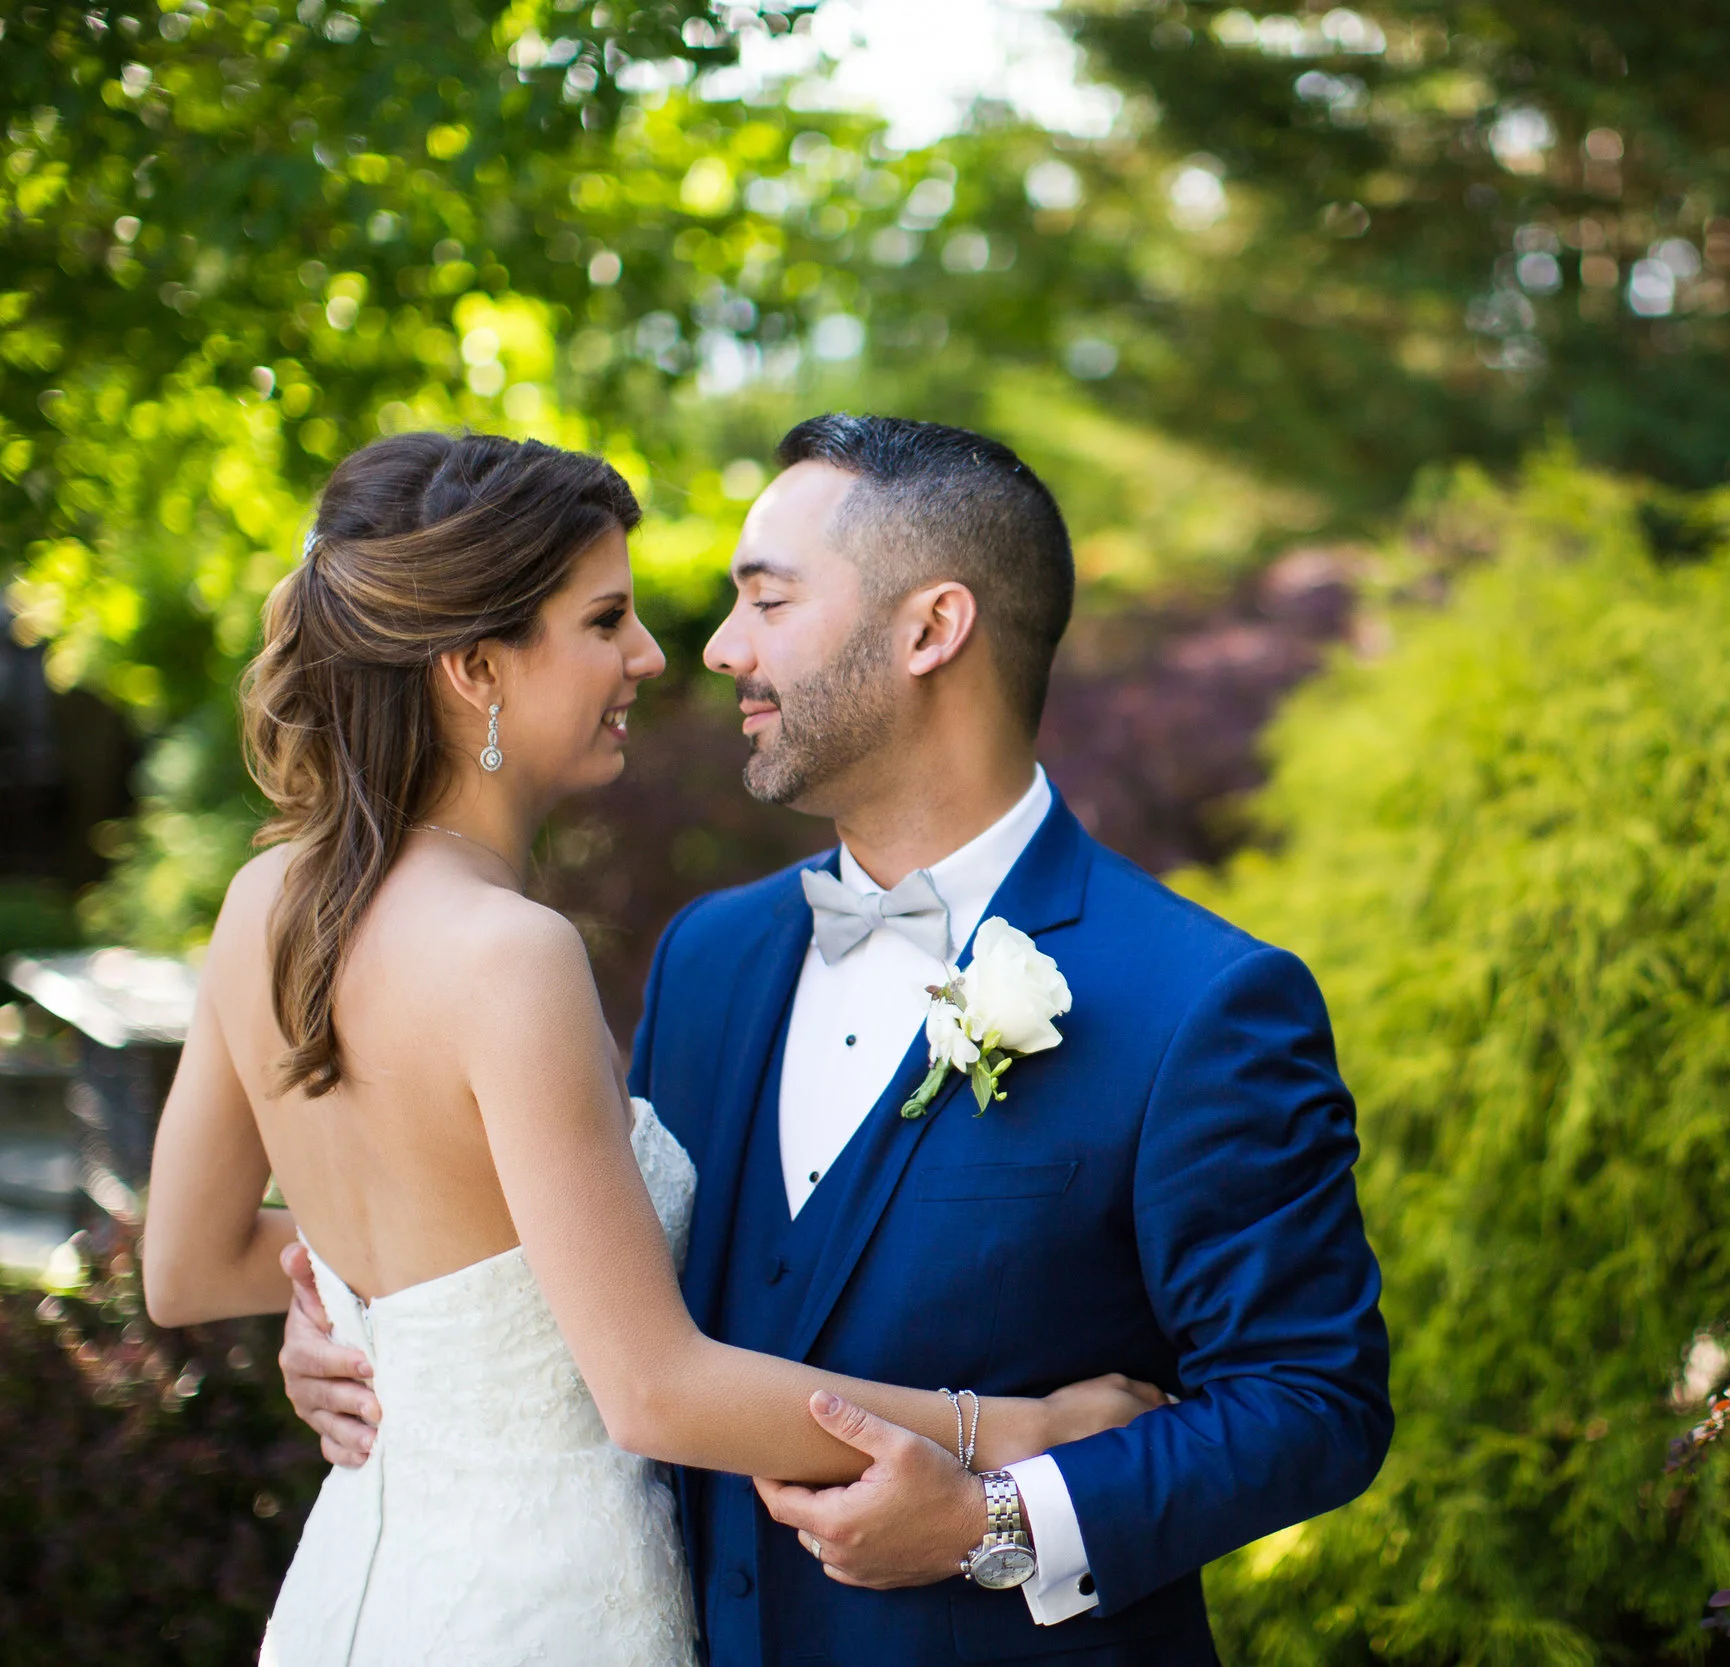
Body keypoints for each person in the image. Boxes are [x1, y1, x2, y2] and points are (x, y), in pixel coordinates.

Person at [279, 414, 1395, 1664]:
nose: (716, 648)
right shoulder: (708, 958)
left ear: (932, 628)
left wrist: (998, 1518)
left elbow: (1312, 1404)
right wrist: (364, 1324)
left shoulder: (1202, 999)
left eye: (766, 600)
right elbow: (599, 1272)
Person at [142, 432, 1163, 1667]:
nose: (654, 655)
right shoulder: (508, 954)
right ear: (476, 669)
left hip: (359, 1593)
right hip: (543, 1608)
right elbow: (652, 1388)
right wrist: (1012, 1427)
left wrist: (378, 1310)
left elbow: (188, 1268)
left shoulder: (265, 900)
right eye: (604, 619)